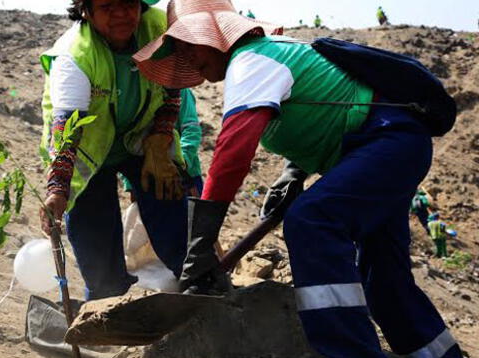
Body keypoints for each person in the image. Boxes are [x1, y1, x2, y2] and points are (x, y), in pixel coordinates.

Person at [132, 0, 463, 357]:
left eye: (189, 44)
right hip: (388, 149)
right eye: (179, 49)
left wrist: (201, 244)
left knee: (312, 220)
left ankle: (348, 352)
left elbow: (232, 152)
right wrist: (294, 172)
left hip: (387, 141)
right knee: (383, 277)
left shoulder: (251, 61)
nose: (188, 57)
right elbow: (323, 105)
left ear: (217, 34)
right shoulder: (268, 57)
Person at [38, 0, 190, 301]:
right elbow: (68, 128)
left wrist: (160, 139)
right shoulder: (75, 55)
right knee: (94, 233)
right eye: (108, 6)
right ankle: (108, 306)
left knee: (169, 202)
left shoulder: (160, 27)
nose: (121, 15)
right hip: (87, 149)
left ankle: (196, 282)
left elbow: (173, 87)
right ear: (86, 11)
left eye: (128, 4)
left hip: (141, 136)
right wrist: (58, 188)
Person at [122, 89, 203, 198]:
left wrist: (180, 164)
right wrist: (130, 183)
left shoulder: (182, 90)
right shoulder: (135, 89)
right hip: (144, 177)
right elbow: (125, 138)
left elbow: (191, 129)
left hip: (183, 177)